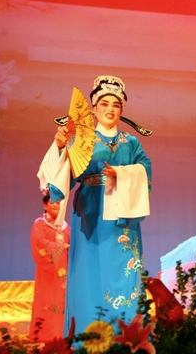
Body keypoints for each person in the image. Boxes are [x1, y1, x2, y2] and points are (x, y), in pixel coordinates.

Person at [38, 75, 152, 334]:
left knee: (122, 269)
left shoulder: (131, 142)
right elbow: (61, 176)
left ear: (122, 110)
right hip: (90, 210)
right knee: (89, 270)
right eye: (104, 104)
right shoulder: (82, 140)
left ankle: (127, 334)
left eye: (116, 105)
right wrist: (60, 145)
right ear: (94, 107)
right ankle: (89, 334)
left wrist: (121, 174)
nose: (110, 109)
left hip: (122, 213)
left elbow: (145, 168)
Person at [29, 194, 70, 341]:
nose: (56, 205)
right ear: (45, 205)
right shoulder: (39, 224)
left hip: (63, 271)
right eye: (52, 203)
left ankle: (60, 333)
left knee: (61, 301)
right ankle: (43, 335)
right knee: (46, 300)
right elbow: (39, 243)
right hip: (46, 271)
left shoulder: (65, 226)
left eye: (58, 203)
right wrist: (60, 247)